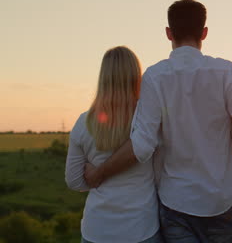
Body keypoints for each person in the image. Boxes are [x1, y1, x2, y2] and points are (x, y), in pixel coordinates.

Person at [83, 0, 232, 243]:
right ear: (204, 33)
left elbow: (141, 145)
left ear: (168, 33)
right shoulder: (225, 72)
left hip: (176, 203)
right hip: (220, 203)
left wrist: (99, 173)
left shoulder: (154, 77)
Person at [65, 46, 163, 243]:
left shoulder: (83, 122)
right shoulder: (147, 119)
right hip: (140, 228)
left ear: (103, 77)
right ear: (136, 76)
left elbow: (74, 181)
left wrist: (92, 172)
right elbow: (161, 175)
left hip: (97, 230)